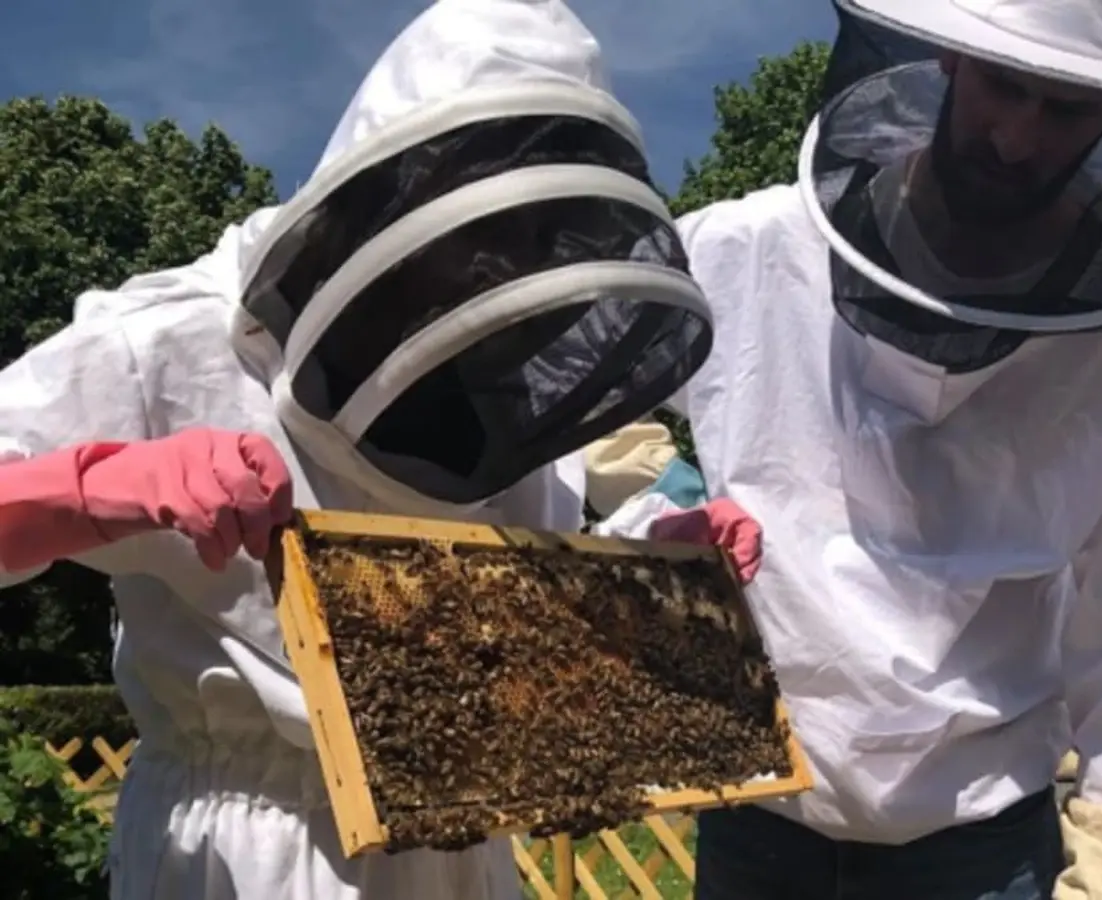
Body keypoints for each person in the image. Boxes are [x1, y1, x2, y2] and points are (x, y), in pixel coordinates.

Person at [0, 1, 714, 897]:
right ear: (404, 191)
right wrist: (95, 486)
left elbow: (521, 625)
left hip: (459, 846)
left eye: (538, 239)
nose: (507, 271)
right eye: (488, 233)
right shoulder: (170, 339)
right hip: (243, 855)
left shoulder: (503, 409)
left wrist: (653, 579)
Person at [597, 0, 1102, 897]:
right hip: (752, 812)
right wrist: (663, 495)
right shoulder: (743, 248)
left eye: (1065, 108)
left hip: (982, 847)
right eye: (1005, 85)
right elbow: (580, 383)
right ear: (953, 61)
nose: (1017, 139)